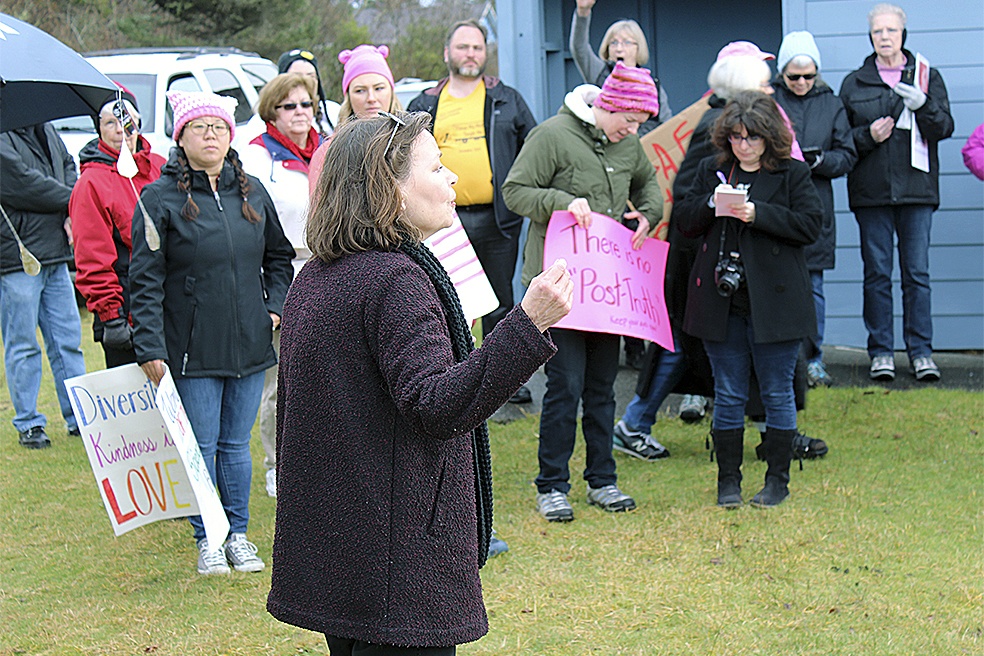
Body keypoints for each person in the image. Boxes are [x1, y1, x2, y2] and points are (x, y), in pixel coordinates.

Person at [267, 111, 573, 655]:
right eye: (435, 167)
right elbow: (435, 404)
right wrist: (527, 325)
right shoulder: (394, 279)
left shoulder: (317, 275)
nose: (452, 177)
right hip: (397, 561)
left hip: (348, 551)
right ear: (390, 189)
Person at [129, 90, 294, 575]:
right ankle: (209, 537)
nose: (211, 135)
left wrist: (274, 308)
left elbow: (279, 258)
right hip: (190, 347)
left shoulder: (251, 192)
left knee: (234, 445)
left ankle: (238, 534)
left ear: (230, 135)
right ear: (181, 137)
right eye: (200, 127)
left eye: (219, 127)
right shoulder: (160, 199)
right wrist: (150, 348)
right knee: (200, 445)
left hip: (248, 341)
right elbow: (144, 278)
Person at [503, 62, 662, 522]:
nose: (632, 131)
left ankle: (602, 480)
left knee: (602, 387)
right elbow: (515, 191)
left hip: (606, 288)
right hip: (558, 287)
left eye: (638, 125)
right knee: (565, 384)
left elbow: (649, 185)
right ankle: (551, 485)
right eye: (629, 121)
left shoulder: (628, 143)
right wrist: (559, 202)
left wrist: (649, 214)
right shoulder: (552, 135)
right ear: (607, 106)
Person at [613, 41, 781, 452]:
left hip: (716, 256)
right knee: (683, 342)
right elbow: (689, 193)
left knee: (712, 343)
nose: (772, 87)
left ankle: (769, 430)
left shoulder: (731, 121)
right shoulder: (719, 127)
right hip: (699, 260)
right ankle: (634, 423)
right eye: (763, 80)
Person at [675, 90, 822, 508]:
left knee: (777, 392)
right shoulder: (712, 169)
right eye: (737, 137)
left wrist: (758, 214)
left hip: (775, 303)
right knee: (729, 392)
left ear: (768, 138)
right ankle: (729, 483)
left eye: (752, 138)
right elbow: (683, 220)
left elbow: (811, 225)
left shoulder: (792, 173)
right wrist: (712, 206)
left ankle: (777, 481)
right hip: (723, 303)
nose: (744, 145)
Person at [408, 20, 538, 404]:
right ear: (448, 53)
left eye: (477, 48)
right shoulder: (426, 102)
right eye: (463, 47)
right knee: (444, 299)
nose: (470, 54)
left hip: (498, 220)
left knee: (499, 300)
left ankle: (506, 380)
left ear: (486, 53)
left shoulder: (507, 98)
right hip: (442, 222)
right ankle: (450, 374)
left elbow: (531, 148)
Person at [840, 3, 954, 382]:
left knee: (916, 274)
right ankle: (882, 352)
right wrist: (866, 137)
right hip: (871, 194)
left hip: (917, 192)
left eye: (891, 30)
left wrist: (924, 106)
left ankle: (921, 352)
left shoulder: (926, 76)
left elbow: (945, 127)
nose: (884, 37)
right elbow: (843, 140)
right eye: (878, 32)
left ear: (903, 33)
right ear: (870, 37)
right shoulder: (854, 82)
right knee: (876, 275)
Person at [240, 72, 324, 499]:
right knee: (279, 381)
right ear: (272, 110)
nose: (299, 113)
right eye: (289, 106)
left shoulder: (326, 149)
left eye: (306, 104)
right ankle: (278, 463)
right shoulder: (256, 158)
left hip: (326, 266)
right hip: (279, 271)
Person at [773, 31, 858, 388]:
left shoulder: (832, 102)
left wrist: (820, 160)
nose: (803, 82)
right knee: (775, 284)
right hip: (776, 202)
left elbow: (848, 154)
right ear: (782, 73)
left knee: (814, 286)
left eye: (810, 75)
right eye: (795, 76)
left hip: (816, 204)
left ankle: (813, 359)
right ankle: (778, 359)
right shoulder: (769, 100)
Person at [0, 122, 87, 449]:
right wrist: (74, 199)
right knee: (22, 343)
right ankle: (28, 423)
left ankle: (79, 416)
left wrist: (70, 201)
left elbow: (66, 163)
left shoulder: (43, 125)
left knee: (68, 339)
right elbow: (19, 183)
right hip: (16, 254)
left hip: (52, 251)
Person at [69, 86, 165, 369]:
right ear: (99, 130)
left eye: (127, 120)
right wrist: (111, 315)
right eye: (111, 122)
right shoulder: (91, 184)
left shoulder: (159, 166)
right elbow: (92, 255)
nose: (121, 129)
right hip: (128, 308)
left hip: (170, 303)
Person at [308, 44, 404, 196]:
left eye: (379, 88)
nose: (371, 98)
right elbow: (319, 214)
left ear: (391, 92)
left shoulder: (413, 143)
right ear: (348, 97)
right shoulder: (328, 153)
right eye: (360, 91)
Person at [569, 0, 672, 134]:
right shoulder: (600, 73)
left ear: (638, 48)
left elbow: (667, 125)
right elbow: (579, 48)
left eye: (626, 42)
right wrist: (583, 13)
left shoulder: (653, 86)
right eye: (613, 43)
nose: (619, 48)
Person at [277, 49, 335, 137]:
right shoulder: (260, 124)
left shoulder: (334, 112)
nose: (305, 82)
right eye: (297, 76)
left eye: (311, 76)